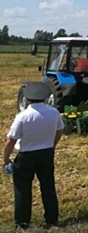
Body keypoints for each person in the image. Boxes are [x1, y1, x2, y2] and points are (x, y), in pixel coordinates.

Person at [3, 82, 64, 229]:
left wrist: (6, 159)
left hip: (26, 155)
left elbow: (11, 140)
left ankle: (23, 223)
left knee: (22, 190)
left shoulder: (23, 116)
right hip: (46, 154)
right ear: (44, 98)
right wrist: (52, 145)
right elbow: (60, 130)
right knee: (48, 187)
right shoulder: (54, 113)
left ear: (27, 99)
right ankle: (52, 219)